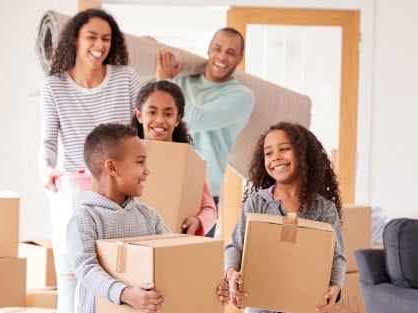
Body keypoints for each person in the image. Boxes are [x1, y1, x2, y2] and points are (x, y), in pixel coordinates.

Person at [37, 9, 140, 313]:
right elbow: (47, 142)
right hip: (74, 193)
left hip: (117, 191)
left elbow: (139, 131)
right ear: (75, 40)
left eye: (106, 38)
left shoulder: (126, 78)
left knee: (120, 274)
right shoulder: (54, 86)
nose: (100, 44)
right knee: (72, 277)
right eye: (92, 37)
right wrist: (46, 168)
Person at [223, 122, 346, 313]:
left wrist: (335, 286)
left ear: (302, 154)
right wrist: (231, 273)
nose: (276, 157)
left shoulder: (323, 208)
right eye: (268, 153)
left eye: (284, 149)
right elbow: (235, 245)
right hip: (260, 305)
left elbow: (337, 256)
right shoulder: (257, 203)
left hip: (305, 305)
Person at [156, 27, 255, 237]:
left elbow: (197, 118)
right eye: (217, 48)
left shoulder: (241, 96)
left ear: (240, 58)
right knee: (153, 259)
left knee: (192, 264)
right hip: (164, 181)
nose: (221, 56)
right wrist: (150, 49)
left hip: (203, 194)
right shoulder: (180, 80)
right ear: (209, 49)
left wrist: (165, 83)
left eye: (230, 52)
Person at [67, 123, 168, 313]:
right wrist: (127, 294)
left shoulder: (147, 215)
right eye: (140, 162)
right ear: (112, 167)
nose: (147, 170)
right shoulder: (85, 216)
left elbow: (173, 254)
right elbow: (85, 268)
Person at [130, 80, 217, 235]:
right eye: (152, 112)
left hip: (172, 243)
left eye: (168, 114)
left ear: (177, 119)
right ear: (140, 115)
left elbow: (209, 209)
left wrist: (198, 221)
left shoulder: (191, 162)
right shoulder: (124, 155)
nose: (160, 120)